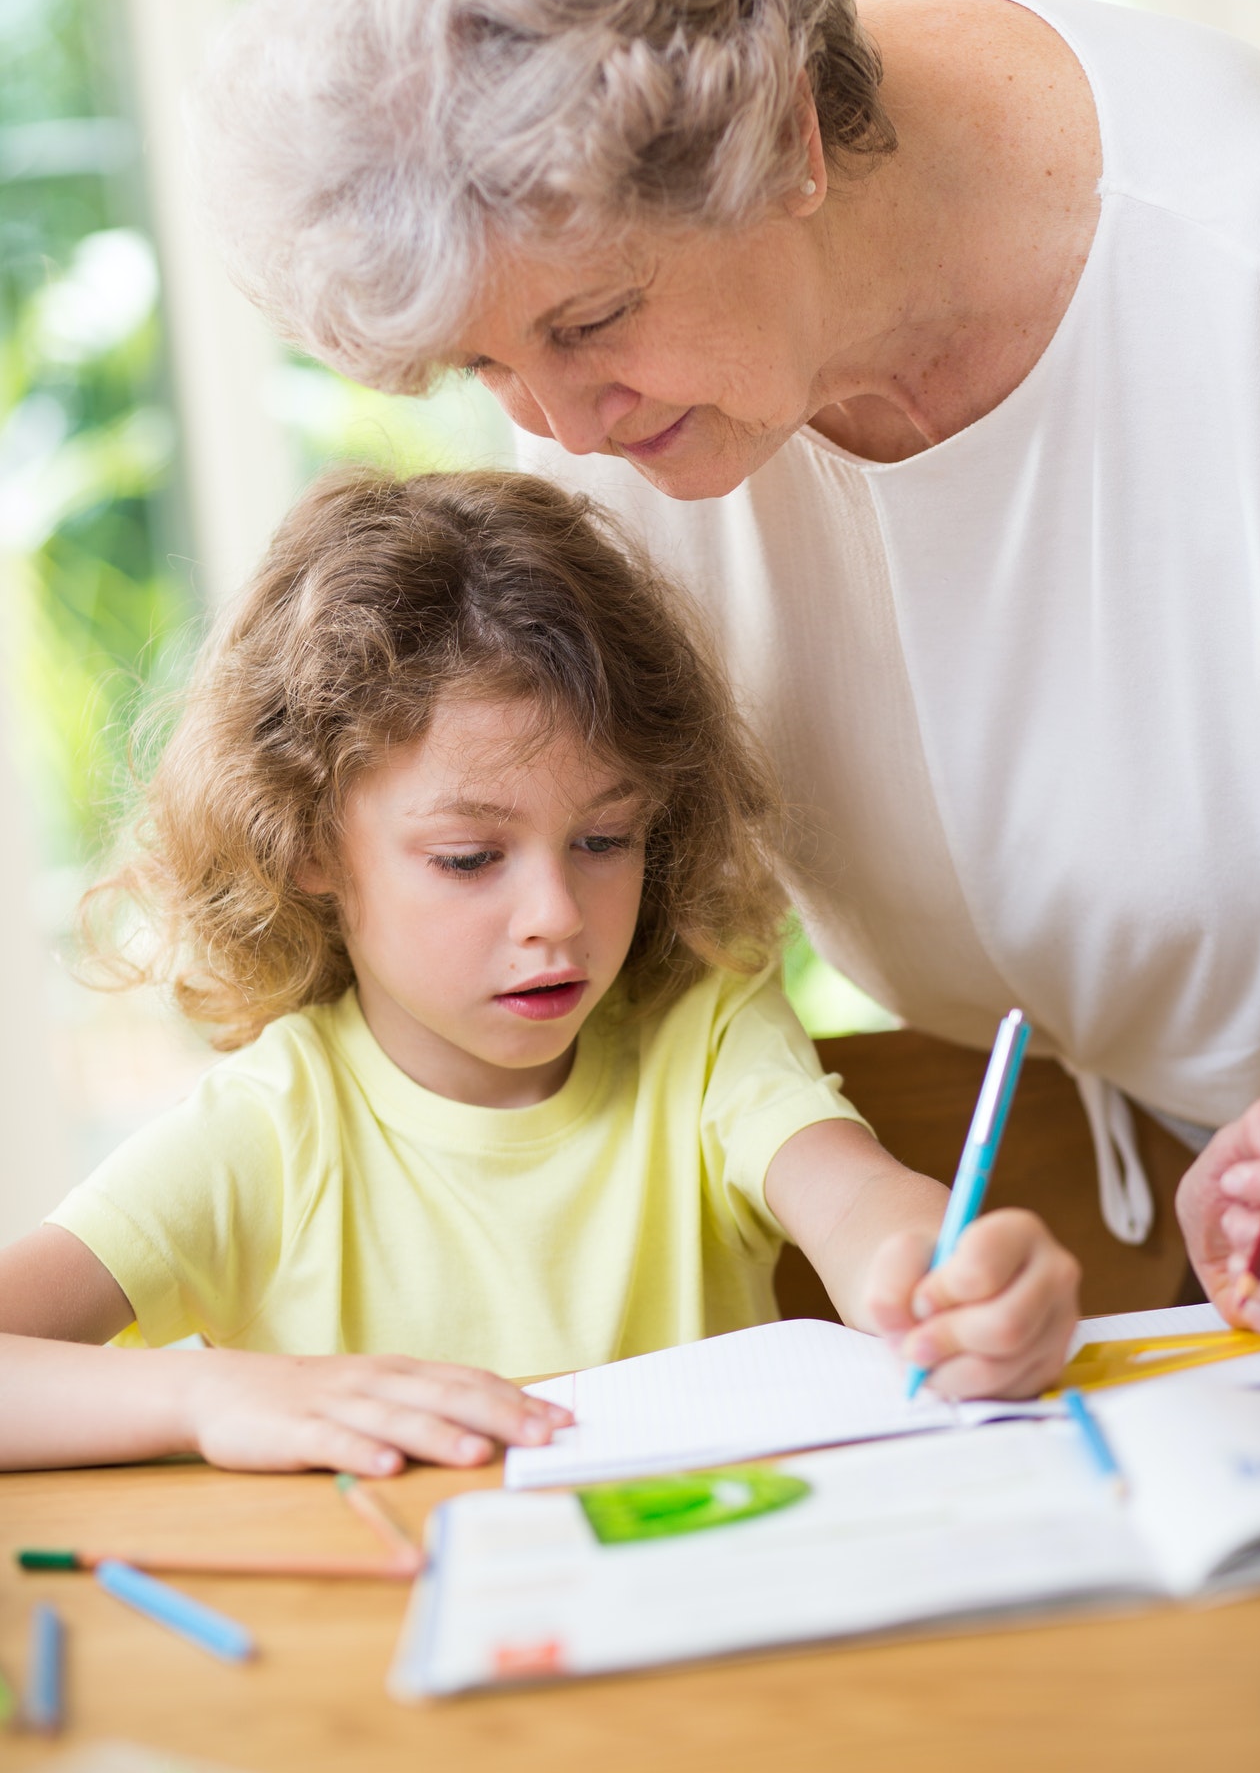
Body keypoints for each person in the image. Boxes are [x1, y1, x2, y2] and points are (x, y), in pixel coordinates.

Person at [188, 0, 1260, 1344]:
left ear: (786, 134)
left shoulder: (1255, 271)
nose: (558, 427)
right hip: (1060, 1190)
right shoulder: (607, 388)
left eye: (590, 325)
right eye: (483, 362)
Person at [0, 468, 1079, 1474]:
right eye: (469, 858)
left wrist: (942, 1274)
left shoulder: (697, 1024)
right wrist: (211, 1396)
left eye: (606, 838)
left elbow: (857, 1204)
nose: (557, 914)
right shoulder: (272, 1130)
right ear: (308, 846)